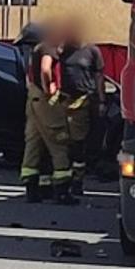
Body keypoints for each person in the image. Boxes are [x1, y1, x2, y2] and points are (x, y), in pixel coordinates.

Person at [20, 22, 73, 203]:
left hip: (33, 99)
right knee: (59, 141)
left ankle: (32, 190)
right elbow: (45, 68)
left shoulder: (35, 50)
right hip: (45, 100)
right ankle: (62, 191)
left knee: (34, 143)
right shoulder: (48, 49)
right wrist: (49, 87)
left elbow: (29, 77)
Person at [58, 18, 104, 198]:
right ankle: (63, 180)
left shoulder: (92, 51)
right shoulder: (63, 51)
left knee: (78, 143)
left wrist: (101, 101)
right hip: (62, 101)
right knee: (62, 142)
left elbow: (99, 77)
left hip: (83, 101)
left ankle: (77, 181)